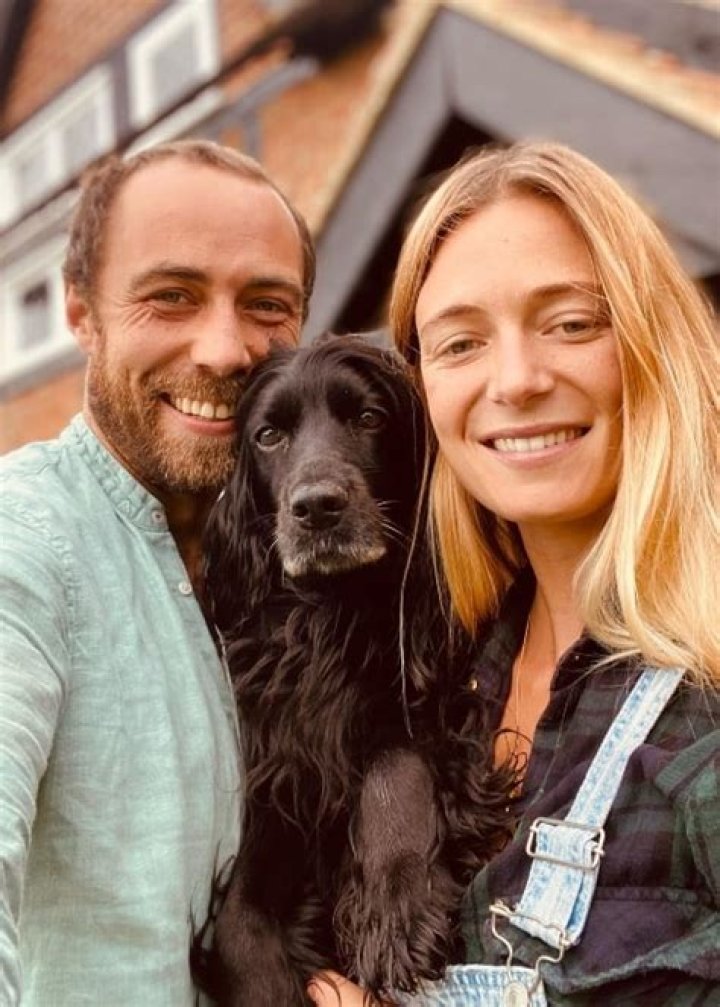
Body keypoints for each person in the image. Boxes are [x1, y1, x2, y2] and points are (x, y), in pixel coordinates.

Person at [309, 141, 718, 1006]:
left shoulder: (703, 708)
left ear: (653, 338)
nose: (517, 380)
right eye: (461, 343)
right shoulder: (438, 684)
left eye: (572, 323)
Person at [0, 138, 315, 1006]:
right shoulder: (26, 539)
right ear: (80, 312)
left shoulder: (296, 567)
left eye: (266, 305)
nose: (225, 350)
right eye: (171, 296)